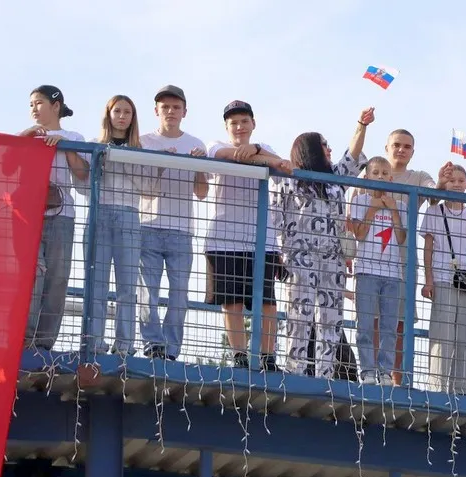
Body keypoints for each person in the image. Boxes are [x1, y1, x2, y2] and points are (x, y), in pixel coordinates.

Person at [204, 100, 293, 371]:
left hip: (261, 241)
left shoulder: (265, 146)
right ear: (226, 127)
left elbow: (282, 168)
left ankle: (268, 357)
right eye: (234, 123)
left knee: (266, 302)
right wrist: (264, 157)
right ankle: (240, 356)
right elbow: (230, 156)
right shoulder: (214, 145)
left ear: (253, 123)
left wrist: (257, 150)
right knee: (232, 303)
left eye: (244, 121)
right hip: (224, 239)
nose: (239, 127)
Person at [278, 122, 368, 379]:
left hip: (332, 258)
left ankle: (325, 374)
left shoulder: (335, 180)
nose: (329, 149)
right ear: (311, 150)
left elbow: (352, 156)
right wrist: (278, 253)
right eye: (324, 145)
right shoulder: (290, 180)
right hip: (300, 257)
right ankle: (295, 372)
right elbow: (276, 218)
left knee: (331, 319)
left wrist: (361, 125)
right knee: (300, 315)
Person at [78, 95, 159, 356]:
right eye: (117, 111)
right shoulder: (94, 144)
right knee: (96, 284)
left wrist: (125, 159)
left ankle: (124, 345)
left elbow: (149, 189)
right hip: (99, 213)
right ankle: (94, 343)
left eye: (127, 112)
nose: (122, 116)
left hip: (129, 215)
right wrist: (101, 162)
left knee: (127, 287)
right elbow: (82, 187)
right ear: (109, 114)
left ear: (133, 117)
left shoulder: (140, 149)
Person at [137, 85, 208, 360]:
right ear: (156, 111)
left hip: (182, 229)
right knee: (148, 291)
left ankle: (172, 349)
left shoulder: (196, 144)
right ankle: (152, 344)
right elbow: (143, 190)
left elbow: (202, 192)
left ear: (184, 112)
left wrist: (199, 167)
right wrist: (160, 165)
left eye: (176, 107)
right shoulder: (143, 141)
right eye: (165, 107)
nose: (170, 111)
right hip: (148, 225)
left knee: (179, 293)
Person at [16, 85, 89, 351]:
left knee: (57, 279)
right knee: (31, 275)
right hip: (29, 215)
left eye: (39, 103)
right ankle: (25, 339)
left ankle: (45, 344)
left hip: (62, 215)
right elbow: (7, 167)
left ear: (55, 106)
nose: (34, 109)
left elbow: (83, 174)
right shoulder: (27, 135)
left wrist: (66, 147)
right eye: (31, 104)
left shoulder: (73, 136)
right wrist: (23, 139)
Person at [419, 163, 466, 395]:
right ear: (444, 183)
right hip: (443, 277)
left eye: (460, 180)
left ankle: (464, 387)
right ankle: (437, 386)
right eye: (452, 180)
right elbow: (428, 248)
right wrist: (428, 279)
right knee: (442, 333)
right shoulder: (434, 211)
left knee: (465, 335)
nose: (456, 184)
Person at [348, 156, 406, 385]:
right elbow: (359, 234)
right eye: (375, 173)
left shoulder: (401, 205)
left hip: (393, 274)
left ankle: (385, 371)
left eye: (384, 173)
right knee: (364, 324)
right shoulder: (359, 201)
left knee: (389, 327)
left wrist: (394, 212)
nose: (380, 177)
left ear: (391, 178)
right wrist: (372, 210)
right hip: (366, 271)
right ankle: (367, 371)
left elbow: (401, 238)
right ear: (367, 177)